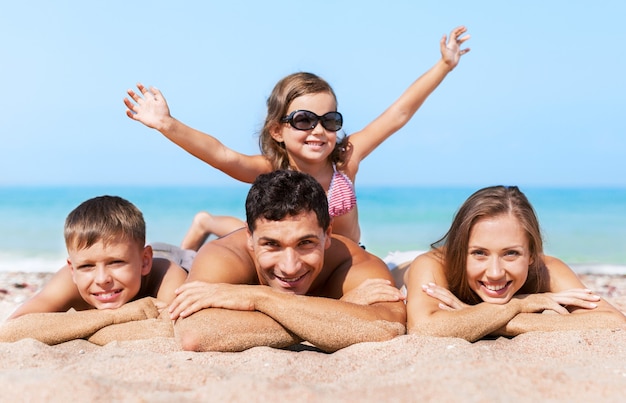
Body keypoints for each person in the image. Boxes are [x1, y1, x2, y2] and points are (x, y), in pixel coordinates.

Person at [124, 26, 471, 251]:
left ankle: (207, 221)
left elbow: (398, 114)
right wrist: (167, 124)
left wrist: (444, 65)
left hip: (343, 257)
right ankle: (207, 222)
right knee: (241, 239)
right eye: (303, 120)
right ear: (277, 129)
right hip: (292, 260)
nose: (318, 130)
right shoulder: (271, 169)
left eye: (329, 120)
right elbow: (222, 155)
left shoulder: (346, 160)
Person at [168, 170, 407, 353]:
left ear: (327, 236)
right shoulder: (224, 256)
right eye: (272, 244)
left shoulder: (353, 263)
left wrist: (257, 297)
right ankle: (205, 222)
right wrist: (339, 309)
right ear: (250, 239)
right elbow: (195, 334)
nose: (289, 266)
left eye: (306, 244)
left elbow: (389, 324)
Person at [404, 186, 626, 342]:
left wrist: (478, 315)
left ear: (531, 254)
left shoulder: (546, 269)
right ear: (460, 252)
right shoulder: (432, 265)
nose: (494, 273)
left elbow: (612, 320)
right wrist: (519, 304)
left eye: (510, 253)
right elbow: (426, 328)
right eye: (479, 253)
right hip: (403, 264)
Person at [0, 196, 188, 345]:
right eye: (86, 266)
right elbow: (13, 328)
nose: (101, 279)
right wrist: (115, 316)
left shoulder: (168, 273)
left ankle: (199, 229)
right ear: (72, 269)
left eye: (116, 262)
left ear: (145, 261)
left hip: (178, 257)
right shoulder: (69, 279)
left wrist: (72, 327)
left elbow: (169, 330)